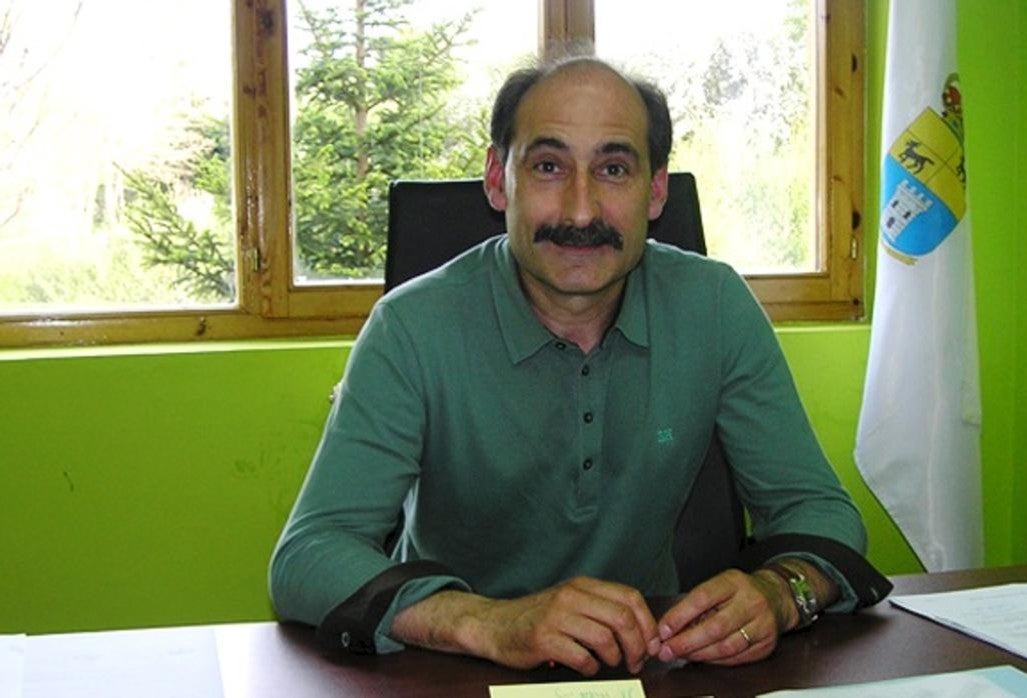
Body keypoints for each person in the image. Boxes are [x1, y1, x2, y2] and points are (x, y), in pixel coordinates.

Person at [269, 55, 889, 677]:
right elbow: (309, 553)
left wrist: (782, 594)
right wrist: (488, 622)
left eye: (613, 169)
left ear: (655, 190)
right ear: (497, 180)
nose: (582, 211)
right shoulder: (409, 327)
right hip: (452, 668)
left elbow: (822, 511)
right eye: (549, 166)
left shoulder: (716, 306)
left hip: (646, 665)